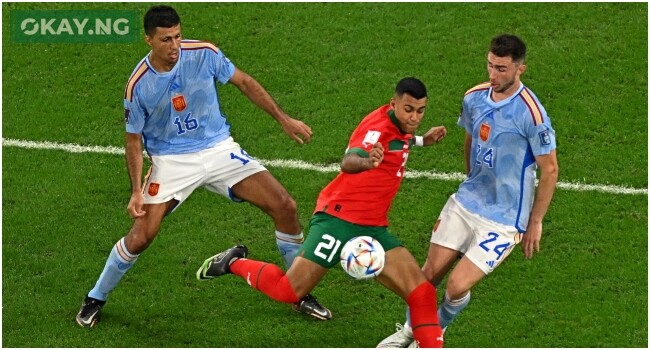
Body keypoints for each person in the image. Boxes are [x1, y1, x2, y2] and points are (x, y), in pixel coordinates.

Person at [75, 5, 332, 328]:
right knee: (142, 235)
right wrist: (135, 191)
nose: (174, 46)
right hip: (171, 161)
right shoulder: (138, 85)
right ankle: (95, 297)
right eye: (166, 39)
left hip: (219, 149)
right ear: (149, 41)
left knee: (285, 205)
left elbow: (244, 82)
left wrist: (284, 119)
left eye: (178, 37)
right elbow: (133, 142)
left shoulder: (204, 54)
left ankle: (299, 291)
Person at [196, 77, 447, 348]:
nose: (414, 118)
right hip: (338, 220)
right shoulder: (376, 131)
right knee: (289, 291)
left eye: (420, 111)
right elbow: (348, 161)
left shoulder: (398, 125)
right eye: (408, 110)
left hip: (373, 227)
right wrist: (367, 162)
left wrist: (423, 140)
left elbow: (402, 138)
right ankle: (232, 262)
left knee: (422, 293)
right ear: (393, 104)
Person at [377, 34, 559, 347]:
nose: (493, 75)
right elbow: (471, 137)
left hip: (503, 218)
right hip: (466, 201)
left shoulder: (532, 114)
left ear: (520, 69)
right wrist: (470, 177)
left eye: (501, 69)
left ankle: (434, 332)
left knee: (456, 287)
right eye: (490, 65)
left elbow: (550, 168)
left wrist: (536, 220)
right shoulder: (474, 96)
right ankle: (408, 332)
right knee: (427, 277)